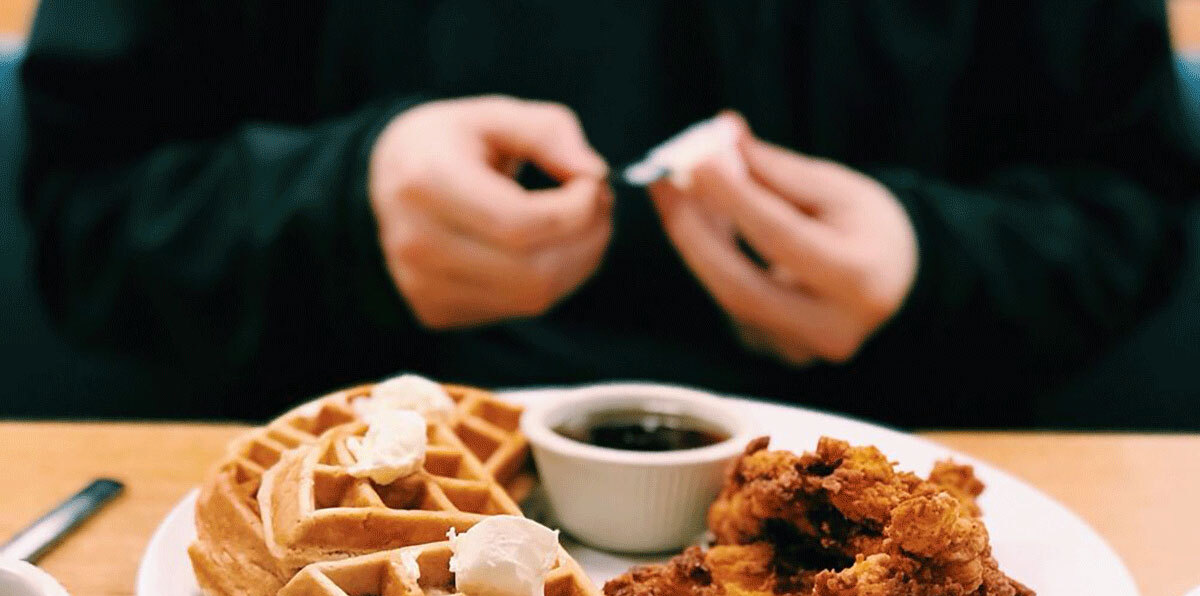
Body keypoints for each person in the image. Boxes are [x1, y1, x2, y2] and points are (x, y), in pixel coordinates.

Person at [19, 1, 1200, 425]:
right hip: (349, 565)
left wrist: (935, 267)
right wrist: (334, 210)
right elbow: (85, 203)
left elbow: (1131, 202)